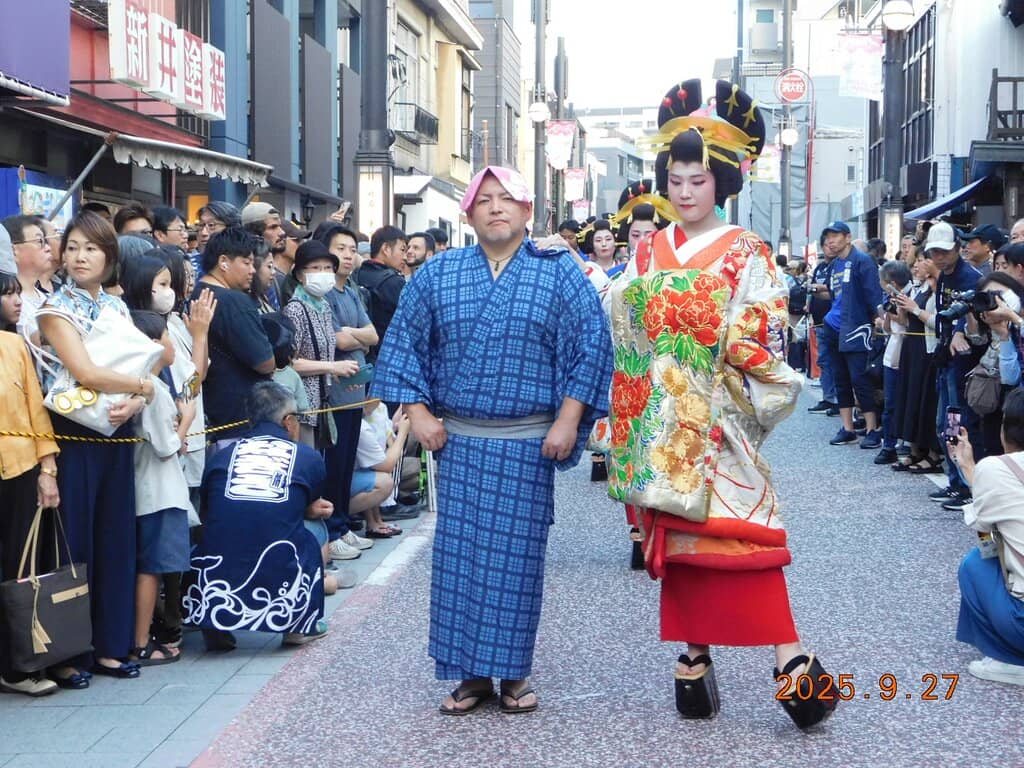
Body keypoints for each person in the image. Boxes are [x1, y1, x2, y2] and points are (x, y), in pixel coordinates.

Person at [602, 79, 837, 728]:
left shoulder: (746, 251)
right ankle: (694, 653)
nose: (683, 191)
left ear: (724, 183)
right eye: (675, 178)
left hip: (716, 416)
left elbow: (759, 333)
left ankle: (787, 658)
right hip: (660, 420)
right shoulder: (647, 249)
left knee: (740, 538)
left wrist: (699, 338)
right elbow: (624, 321)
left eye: (698, 179)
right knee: (683, 543)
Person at [372, 164, 612, 715]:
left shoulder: (560, 274)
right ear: (469, 213)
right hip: (457, 439)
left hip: (527, 440)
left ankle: (513, 672)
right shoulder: (439, 274)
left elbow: (590, 349)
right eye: (485, 200)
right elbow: (405, 343)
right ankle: (472, 673)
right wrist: (419, 413)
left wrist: (569, 420)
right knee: (459, 557)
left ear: (528, 211)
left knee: (517, 558)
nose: (496, 207)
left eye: (507, 199)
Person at [37, 211, 155, 686]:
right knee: (73, 542)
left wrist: (135, 399)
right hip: (72, 433)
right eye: (72, 247)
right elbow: (84, 372)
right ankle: (68, 652)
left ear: (110, 256)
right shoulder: (52, 309)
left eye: (91, 248)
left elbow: (142, 363)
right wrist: (142, 386)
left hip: (118, 430)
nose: (80, 256)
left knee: (115, 538)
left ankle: (110, 645)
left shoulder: (118, 308)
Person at [183, 382, 330, 646]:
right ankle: (297, 625)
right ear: (288, 421)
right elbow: (303, 505)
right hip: (280, 560)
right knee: (314, 530)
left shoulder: (221, 457)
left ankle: (213, 622)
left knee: (218, 534)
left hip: (216, 565)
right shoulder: (308, 457)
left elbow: (209, 510)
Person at [0, 269, 61, 697]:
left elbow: (36, 410)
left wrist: (47, 469)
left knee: (20, 572)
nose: (17, 301)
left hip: (20, 469)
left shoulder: (16, 345)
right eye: (8, 295)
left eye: (17, 293)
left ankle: (18, 665)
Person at [127, 310, 193, 666]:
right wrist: (187, 421)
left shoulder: (146, 385)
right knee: (152, 568)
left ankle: (142, 637)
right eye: (167, 336)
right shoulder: (152, 389)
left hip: (152, 489)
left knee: (152, 567)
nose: (171, 343)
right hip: (158, 492)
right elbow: (167, 446)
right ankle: (141, 642)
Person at [951, 388, 1024, 685]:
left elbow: (984, 532)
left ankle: (1011, 658)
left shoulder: (995, 468)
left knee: (976, 564)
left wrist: (969, 467)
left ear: (1006, 427)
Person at [317, 223, 380, 556]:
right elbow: (339, 339)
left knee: (346, 466)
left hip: (355, 394)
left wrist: (354, 335)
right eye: (340, 248)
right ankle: (333, 530)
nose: (347, 255)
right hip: (333, 396)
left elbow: (372, 335)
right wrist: (357, 335)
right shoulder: (323, 293)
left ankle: (342, 524)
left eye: (352, 249)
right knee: (334, 465)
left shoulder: (351, 291)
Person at [195, 227, 275, 445]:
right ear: (223, 262)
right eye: (247, 262)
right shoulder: (234, 301)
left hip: (209, 413)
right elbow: (265, 363)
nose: (252, 270)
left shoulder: (197, 292)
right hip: (239, 419)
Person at [926, 221, 984, 511]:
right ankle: (955, 482)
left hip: (964, 364)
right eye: (934, 251)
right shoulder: (946, 276)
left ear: (956, 249)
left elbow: (973, 315)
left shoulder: (970, 277)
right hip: (947, 362)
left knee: (957, 424)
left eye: (943, 251)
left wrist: (960, 329)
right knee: (944, 424)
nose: (938, 257)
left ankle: (964, 485)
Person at [283, 240, 360, 448]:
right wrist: (331, 366)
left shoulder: (324, 306)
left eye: (327, 268)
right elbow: (290, 363)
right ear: (299, 274)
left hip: (324, 402)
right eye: (316, 268)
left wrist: (339, 373)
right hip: (303, 405)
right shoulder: (295, 309)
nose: (323, 273)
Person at [818, 220, 884, 448]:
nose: (831, 241)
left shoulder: (863, 262)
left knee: (860, 379)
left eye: (835, 236)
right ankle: (847, 428)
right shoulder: (834, 264)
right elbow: (834, 296)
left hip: (856, 329)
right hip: (833, 328)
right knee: (840, 379)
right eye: (828, 237)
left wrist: (879, 319)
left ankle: (872, 428)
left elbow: (873, 295)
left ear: (847, 237)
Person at [355, 226, 408, 360]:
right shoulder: (395, 282)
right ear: (386, 249)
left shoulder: (355, 275)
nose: (405, 257)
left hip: (359, 355)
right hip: (389, 356)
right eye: (402, 250)